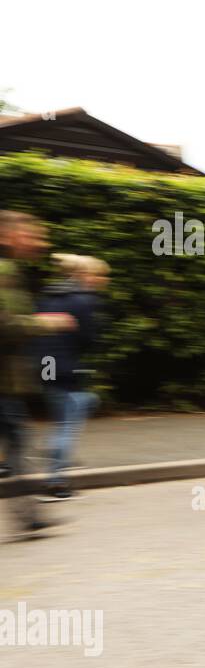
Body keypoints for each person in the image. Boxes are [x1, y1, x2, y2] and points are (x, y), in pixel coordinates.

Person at [0, 211, 77, 536]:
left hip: (6, 382)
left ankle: (29, 515)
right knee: (17, 441)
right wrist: (46, 322)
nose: (39, 243)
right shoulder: (4, 271)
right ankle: (29, 515)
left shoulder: (11, 271)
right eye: (31, 235)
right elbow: (5, 325)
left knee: (17, 441)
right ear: (7, 236)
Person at [36, 255, 108, 500]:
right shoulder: (83, 301)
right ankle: (56, 481)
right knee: (68, 421)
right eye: (98, 275)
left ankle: (58, 453)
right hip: (67, 366)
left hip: (46, 365)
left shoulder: (48, 296)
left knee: (65, 416)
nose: (101, 280)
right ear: (83, 275)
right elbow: (89, 339)